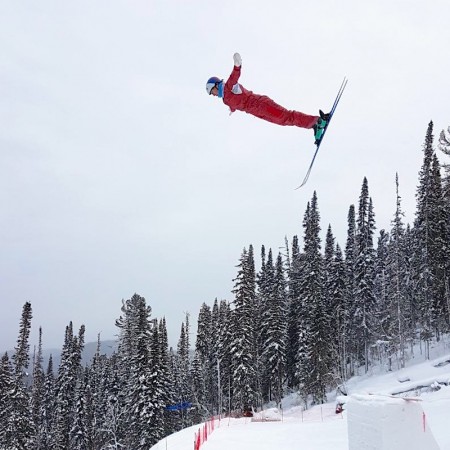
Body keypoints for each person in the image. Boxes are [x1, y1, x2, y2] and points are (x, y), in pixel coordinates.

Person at [206, 53, 329, 143]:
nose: (214, 95)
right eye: (212, 94)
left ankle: (318, 121)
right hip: (257, 112)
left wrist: (237, 65)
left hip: (261, 104)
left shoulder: (228, 87)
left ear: (217, 85)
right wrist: (232, 110)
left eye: (213, 91)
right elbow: (233, 106)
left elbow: (234, 76)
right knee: (283, 121)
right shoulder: (225, 101)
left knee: (286, 116)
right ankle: (314, 125)